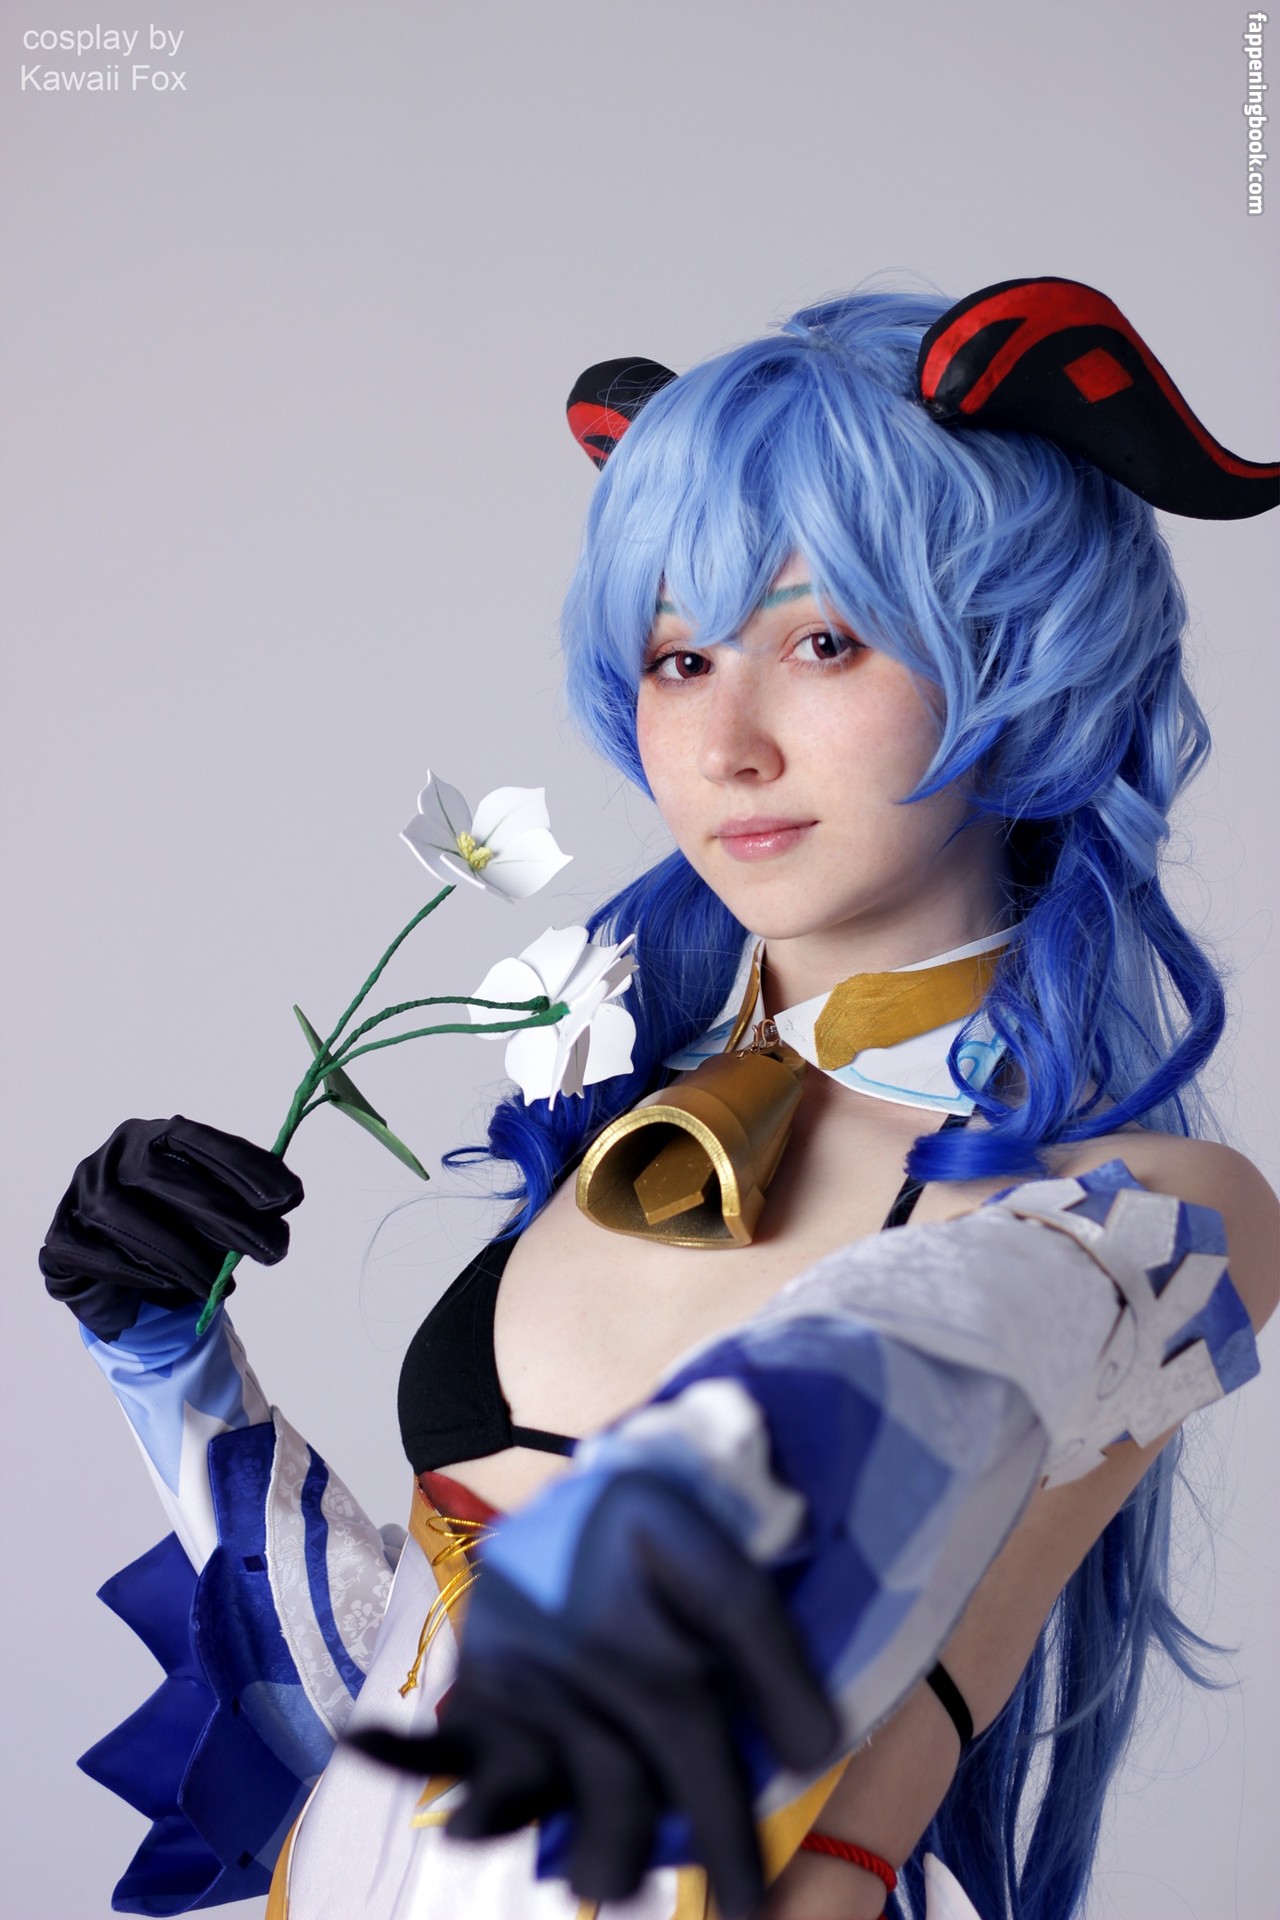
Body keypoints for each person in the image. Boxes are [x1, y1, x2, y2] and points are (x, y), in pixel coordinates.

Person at [40, 280, 1278, 1920]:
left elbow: (952, 1361)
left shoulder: (1154, 1213)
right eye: (680, 657)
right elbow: (398, 1697)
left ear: (1026, 661)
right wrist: (167, 1360)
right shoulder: (620, 1105)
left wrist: (741, 1474)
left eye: (824, 641)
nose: (726, 743)